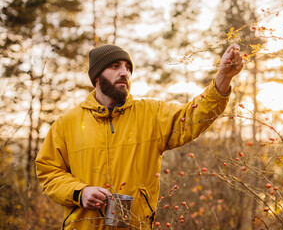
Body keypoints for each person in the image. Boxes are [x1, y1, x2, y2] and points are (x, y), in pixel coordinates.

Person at [35, 43, 244, 229]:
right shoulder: (66, 124)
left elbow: (193, 116)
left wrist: (223, 77)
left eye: (127, 68)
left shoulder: (150, 114)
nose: (124, 72)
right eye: (115, 66)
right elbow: (49, 173)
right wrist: (79, 193)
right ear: (97, 76)